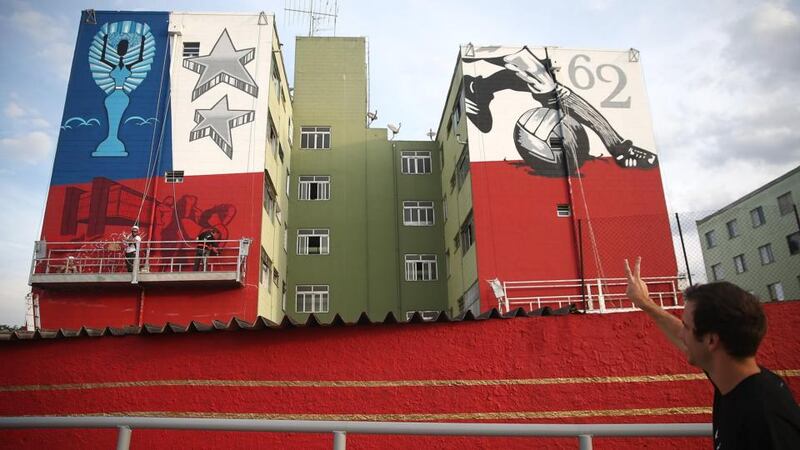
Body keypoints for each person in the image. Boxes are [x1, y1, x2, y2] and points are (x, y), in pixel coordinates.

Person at [624, 257, 800, 449]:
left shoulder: (765, 416)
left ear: (711, 341)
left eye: (686, 327)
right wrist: (645, 302)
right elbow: (683, 337)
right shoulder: (733, 378)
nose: (681, 334)